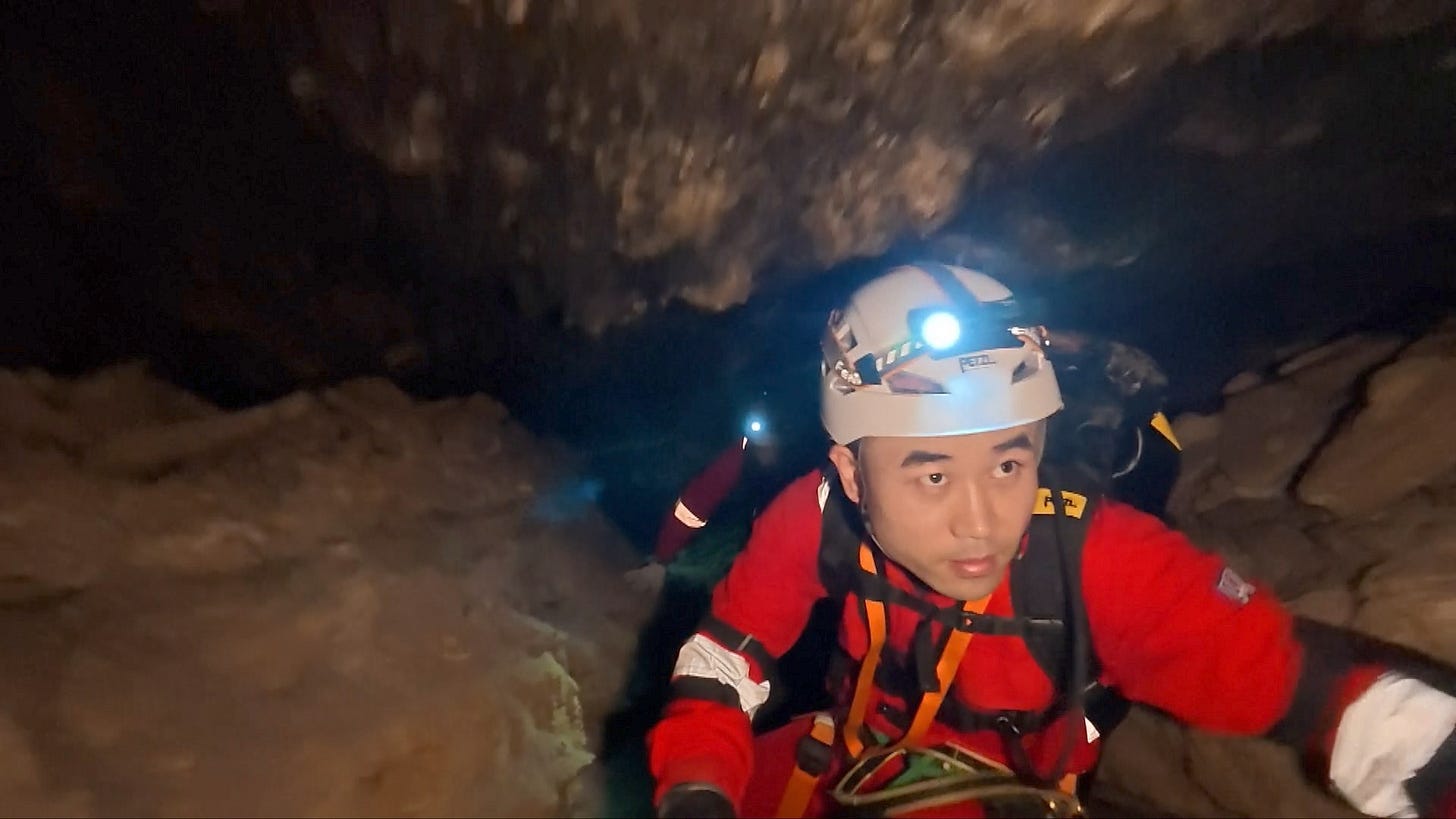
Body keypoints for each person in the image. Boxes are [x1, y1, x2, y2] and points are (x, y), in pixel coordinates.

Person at [646, 261, 1456, 818]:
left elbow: (1299, 681)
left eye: (1008, 462)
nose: (982, 519)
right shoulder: (817, 513)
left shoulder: (1095, 557)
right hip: (847, 756)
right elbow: (725, 660)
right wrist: (695, 786)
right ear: (853, 476)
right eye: (932, 475)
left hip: (998, 794)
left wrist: (1427, 753)